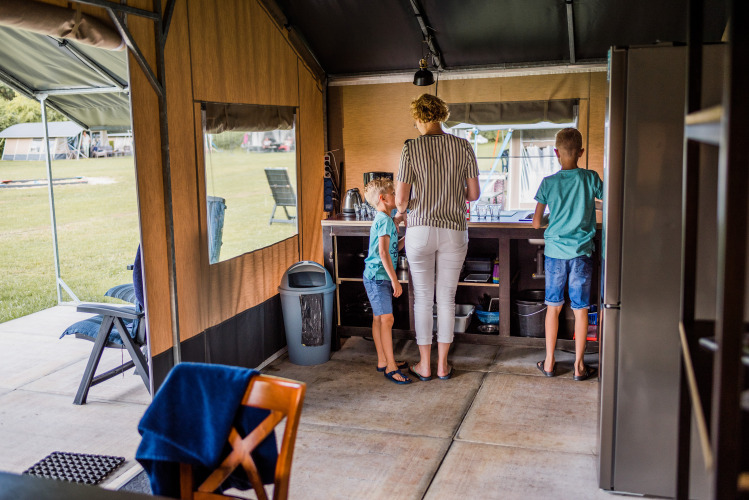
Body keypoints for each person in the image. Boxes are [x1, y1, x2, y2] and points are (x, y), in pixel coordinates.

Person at [395, 94, 480, 381]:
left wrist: (403, 209)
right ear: (441, 115)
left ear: (419, 118)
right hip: (454, 229)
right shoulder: (463, 146)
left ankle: (424, 365)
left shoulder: (411, 148)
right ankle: (443, 365)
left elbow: (401, 200)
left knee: (422, 300)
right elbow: (474, 194)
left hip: (419, 230)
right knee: (446, 299)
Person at [532, 127, 603, 381]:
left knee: (554, 307)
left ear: (556, 153)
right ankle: (579, 366)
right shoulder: (591, 177)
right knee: (581, 309)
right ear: (581, 152)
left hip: (554, 255)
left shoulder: (548, 183)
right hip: (581, 253)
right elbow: (611, 201)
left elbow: (537, 223)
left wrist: (554, 216)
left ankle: (549, 363)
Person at [363, 178, 411, 385]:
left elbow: (394, 248)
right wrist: (395, 281)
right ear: (383, 198)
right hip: (378, 278)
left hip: (374, 276)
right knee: (387, 319)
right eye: (393, 193)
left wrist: (408, 235)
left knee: (379, 319)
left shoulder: (386, 219)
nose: (396, 196)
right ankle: (390, 367)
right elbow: (383, 253)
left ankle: (383, 361)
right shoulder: (383, 221)